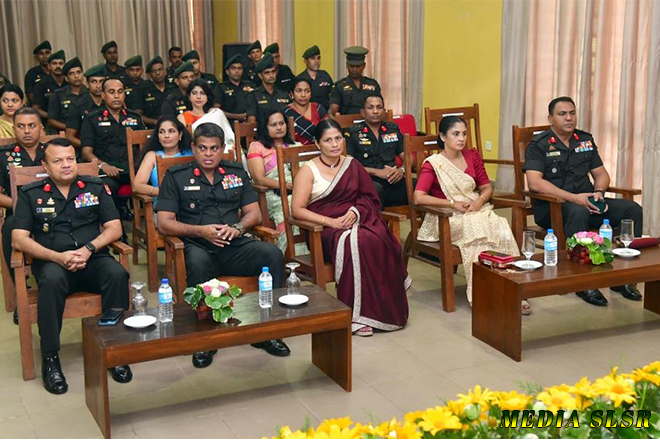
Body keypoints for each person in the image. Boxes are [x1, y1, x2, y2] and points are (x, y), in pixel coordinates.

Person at [157, 122, 291, 368]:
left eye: (214, 148)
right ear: (193, 148)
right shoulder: (176, 176)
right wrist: (201, 231)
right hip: (197, 245)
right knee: (197, 263)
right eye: (203, 148)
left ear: (222, 149)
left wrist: (238, 228)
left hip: (233, 244)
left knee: (272, 254)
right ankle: (205, 340)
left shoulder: (236, 172)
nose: (208, 154)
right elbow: (164, 224)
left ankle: (267, 331)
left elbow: (254, 214)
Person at [12, 137, 132, 394]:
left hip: (92, 258)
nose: (66, 165)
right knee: (52, 281)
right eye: (58, 161)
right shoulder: (31, 194)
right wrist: (57, 257)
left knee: (117, 274)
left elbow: (114, 228)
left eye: (70, 159)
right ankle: (50, 358)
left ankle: (113, 349)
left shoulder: (95, 187)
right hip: (53, 262)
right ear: (46, 166)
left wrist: (88, 249)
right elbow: (18, 239)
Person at [291, 119, 410, 336]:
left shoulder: (352, 165)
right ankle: (356, 315)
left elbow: (369, 197)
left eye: (338, 138)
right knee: (357, 241)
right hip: (323, 229)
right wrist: (331, 222)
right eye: (328, 140)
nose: (335, 144)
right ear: (317, 144)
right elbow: (297, 210)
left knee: (376, 238)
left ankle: (382, 310)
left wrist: (356, 212)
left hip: (356, 219)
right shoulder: (308, 170)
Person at [523, 96, 644, 307]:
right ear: (550, 118)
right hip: (553, 208)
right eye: (562, 114)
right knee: (577, 211)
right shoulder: (539, 145)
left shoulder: (584, 140)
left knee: (632, 209)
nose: (569, 118)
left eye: (572, 113)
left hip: (588, 203)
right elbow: (534, 183)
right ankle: (583, 283)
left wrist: (599, 192)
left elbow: (601, 174)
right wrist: (574, 199)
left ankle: (625, 278)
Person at [414, 116, 522, 309]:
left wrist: (480, 201)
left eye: (464, 134)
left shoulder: (472, 156)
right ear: (443, 136)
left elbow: (486, 187)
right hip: (447, 217)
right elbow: (419, 197)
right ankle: (483, 294)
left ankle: (512, 290)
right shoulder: (434, 163)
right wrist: (452, 204)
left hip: (476, 211)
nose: (461, 138)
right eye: (455, 134)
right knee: (477, 227)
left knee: (499, 226)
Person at [80, 77, 146, 220]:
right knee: (107, 187)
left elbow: (144, 147)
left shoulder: (134, 117)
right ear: (103, 95)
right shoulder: (92, 119)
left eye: (120, 92)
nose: (116, 96)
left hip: (133, 170)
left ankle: (151, 223)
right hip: (107, 171)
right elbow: (86, 152)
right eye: (111, 92)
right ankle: (117, 222)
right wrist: (103, 165)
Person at [0, 107, 46, 301]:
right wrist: (21, 207)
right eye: (21, 126)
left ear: (41, 128)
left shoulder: (53, 152)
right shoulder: (3, 155)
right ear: (14, 129)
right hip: (20, 213)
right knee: (10, 226)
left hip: (54, 210)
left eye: (32, 126)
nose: (26, 131)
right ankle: (21, 294)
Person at [247, 108, 301, 252]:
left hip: (299, 190)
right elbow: (259, 179)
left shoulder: (295, 146)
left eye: (281, 123)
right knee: (292, 205)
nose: (279, 127)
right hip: (271, 194)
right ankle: (290, 255)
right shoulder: (257, 147)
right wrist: (285, 186)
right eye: (273, 125)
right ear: (265, 127)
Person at [346, 94, 407, 207]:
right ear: (363, 112)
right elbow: (349, 165)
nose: (375, 111)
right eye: (371, 107)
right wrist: (377, 172)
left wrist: (401, 170)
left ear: (383, 111)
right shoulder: (353, 133)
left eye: (379, 107)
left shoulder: (392, 130)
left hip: (392, 180)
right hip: (368, 180)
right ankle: (378, 218)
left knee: (418, 185)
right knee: (376, 189)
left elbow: (408, 157)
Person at [133, 116, 193, 207]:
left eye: (171, 131)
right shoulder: (152, 156)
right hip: (164, 205)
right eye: (161, 132)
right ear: (158, 136)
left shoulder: (192, 153)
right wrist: (164, 192)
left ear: (180, 135)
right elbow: (137, 186)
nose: (166, 136)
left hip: (192, 204)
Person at [329, 46, 381, 117]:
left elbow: (379, 107)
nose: (354, 69)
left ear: (364, 66)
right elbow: (333, 110)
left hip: (369, 122)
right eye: (351, 66)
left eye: (358, 66)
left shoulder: (372, 84)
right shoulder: (339, 86)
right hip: (347, 123)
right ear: (347, 65)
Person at [64, 64, 105, 149]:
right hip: (85, 150)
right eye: (94, 82)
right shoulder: (78, 105)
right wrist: (88, 147)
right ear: (87, 84)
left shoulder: (110, 103)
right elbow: (69, 137)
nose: (98, 86)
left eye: (101, 81)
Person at [245, 54, 291, 124]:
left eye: (273, 72)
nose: (271, 75)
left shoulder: (284, 94)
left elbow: (290, 118)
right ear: (260, 76)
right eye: (267, 73)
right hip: (262, 130)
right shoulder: (254, 96)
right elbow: (251, 122)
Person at [47, 57, 87, 133]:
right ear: (66, 78)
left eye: (79, 72)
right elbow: (51, 120)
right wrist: (72, 128)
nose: (76, 76)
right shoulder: (58, 95)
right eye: (72, 74)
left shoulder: (89, 93)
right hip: (64, 133)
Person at [284, 77, 328, 145]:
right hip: (295, 150)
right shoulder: (286, 112)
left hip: (320, 149)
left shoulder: (318, 108)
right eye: (299, 91)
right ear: (292, 94)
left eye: (307, 91)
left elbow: (327, 132)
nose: (303, 95)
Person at [215, 54, 256, 126]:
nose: (237, 71)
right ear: (227, 71)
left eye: (239, 68)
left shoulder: (251, 85)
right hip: (228, 125)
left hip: (250, 124)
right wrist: (238, 116)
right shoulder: (221, 87)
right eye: (233, 68)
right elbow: (216, 111)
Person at [32, 50, 67, 126]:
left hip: (69, 122)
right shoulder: (41, 84)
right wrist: (52, 116)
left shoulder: (69, 83)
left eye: (61, 63)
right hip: (48, 124)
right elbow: (35, 108)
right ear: (48, 66)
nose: (58, 66)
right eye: (54, 63)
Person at [297, 45, 333, 110]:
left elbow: (332, 95)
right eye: (313, 58)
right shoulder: (300, 79)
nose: (316, 61)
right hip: (307, 113)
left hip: (325, 112)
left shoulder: (325, 76)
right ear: (306, 61)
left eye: (318, 58)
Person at [141, 56, 173, 127]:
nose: (158, 73)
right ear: (150, 75)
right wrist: (155, 122)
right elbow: (139, 115)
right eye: (154, 71)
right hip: (152, 128)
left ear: (165, 71)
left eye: (160, 69)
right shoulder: (144, 91)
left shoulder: (174, 89)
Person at [24, 40, 51, 104]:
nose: (45, 56)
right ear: (36, 57)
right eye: (41, 53)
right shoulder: (31, 73)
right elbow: (31, 98)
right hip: (39, 107)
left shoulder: (57, 72)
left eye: (47, 53)